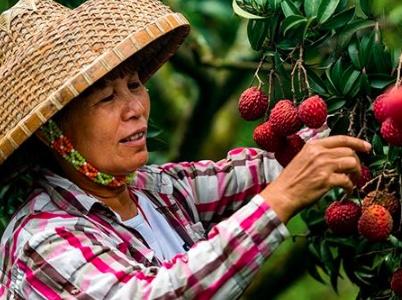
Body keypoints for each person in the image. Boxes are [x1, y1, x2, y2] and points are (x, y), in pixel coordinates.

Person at [0, 0, 371, 299]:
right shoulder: (41, 241)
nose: (135, 108)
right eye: (107, 98)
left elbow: (272, 167)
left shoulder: (156, 191)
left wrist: (366, 110)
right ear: (53, 131)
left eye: (133, 84)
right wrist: (282, 198)